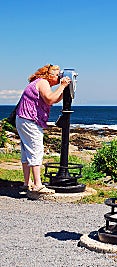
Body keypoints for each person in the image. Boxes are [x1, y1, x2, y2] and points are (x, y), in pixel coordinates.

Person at [16, 64, 71, 193]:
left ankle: (27, 182)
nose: (59, 78)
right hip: (30, 120)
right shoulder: (43, 82)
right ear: (50, 75)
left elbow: (53, 99)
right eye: (57, 75)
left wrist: (65, 91)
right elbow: (50, 100)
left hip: (22, 119)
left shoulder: (38, 82)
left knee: (26, 151)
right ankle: (37, 184)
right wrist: (62, 86)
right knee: (36, 150)